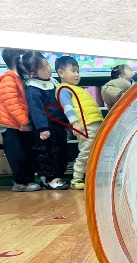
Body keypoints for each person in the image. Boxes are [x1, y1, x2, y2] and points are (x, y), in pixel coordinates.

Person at [17, 51, 69, 190]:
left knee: (61, 151)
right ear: (33, 73)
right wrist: (42, 128)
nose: (48, 69)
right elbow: (36, 110)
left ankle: (57, 176)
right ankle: (50, 178)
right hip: (46, 128)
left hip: (58, 125)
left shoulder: (52, 81)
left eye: (47, 65)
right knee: (48, 154)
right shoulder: (33, 89)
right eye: (44, 68)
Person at [0, 48, 41, 192]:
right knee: (17, 155)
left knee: (27, 153)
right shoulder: (8, 79)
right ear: (19, 59)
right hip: (11, 126)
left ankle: (27, 180)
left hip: (18, 124)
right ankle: (20, 183)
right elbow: (11, 103)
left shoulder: (20, 78)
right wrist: (24, 122)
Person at [55, 55, 104, 190]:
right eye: (73, 71)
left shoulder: (77, 89)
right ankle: (76, 178)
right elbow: (67, 108)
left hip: (94, 123)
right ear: (61, 73)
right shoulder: (64, 89)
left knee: (94, 152)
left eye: (78, 71)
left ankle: (90, 177)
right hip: (85, 126)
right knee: (86, 152)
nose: (77, 74)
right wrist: (74, 123)